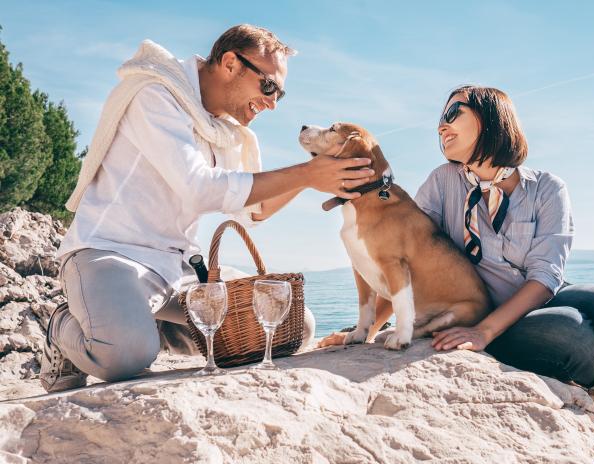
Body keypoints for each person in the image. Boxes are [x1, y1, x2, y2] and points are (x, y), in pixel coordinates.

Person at [327, 85, 594, 450]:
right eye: (439, 120)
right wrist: (365, 331)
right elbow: (404, 257)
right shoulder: (440, 182)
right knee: (568, 330)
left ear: (489, 120)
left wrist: (481, 333)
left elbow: (546, 275)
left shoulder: (547, 187)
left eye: (453, 115)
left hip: (539, 296)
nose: (441, 126)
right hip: (485, 312)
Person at [41, 24, 374, 393]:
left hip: (180, 268)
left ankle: (147, 324)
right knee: (126, 356)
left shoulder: (225, 130)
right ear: (230, 63)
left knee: (287, 324)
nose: (272, 103)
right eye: (268, 86)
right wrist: (307, 172)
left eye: (280, 93)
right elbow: (198, 188)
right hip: (111, 252)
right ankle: (64, 326)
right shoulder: (155, 95)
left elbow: (256, 210)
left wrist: (312, 175)